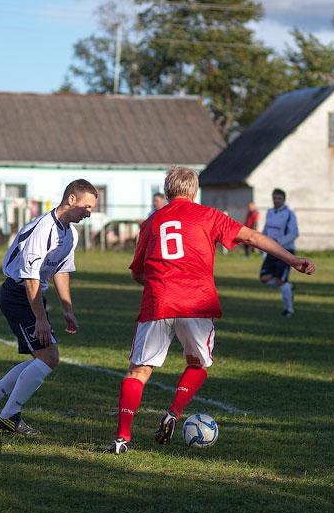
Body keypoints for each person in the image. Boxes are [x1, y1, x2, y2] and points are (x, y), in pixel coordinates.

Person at [108, 167, 315, 454]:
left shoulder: (151, 222)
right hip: (196, 302)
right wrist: (292, 260)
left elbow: (137, 274)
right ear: (195, 191)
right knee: (198, 364)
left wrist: (160, 281)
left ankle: (122, 438)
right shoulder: (209, 215)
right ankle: (173, 412)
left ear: (168, 192)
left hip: (159, 301)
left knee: (138, 371)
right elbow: (253, 238)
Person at [0, 179, 97, 435]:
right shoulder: (43, 228)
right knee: (49, 358)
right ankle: (9, 416)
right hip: (19, 294)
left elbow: (61, 270)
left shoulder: (70, 232)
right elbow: (30, 278)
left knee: (42, 358)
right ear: (71, 199)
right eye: (86, 206)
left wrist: (68, 308)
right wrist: (40, 318)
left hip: (33, 294)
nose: (88, 213)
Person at [260, 188, 300, 317]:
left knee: (279, 281)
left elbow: (294, 233)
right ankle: (289, 287)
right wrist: (260, 241)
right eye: (274, 198)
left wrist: (279, 241)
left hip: (285, 251)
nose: (276, 201)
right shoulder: (270, 212)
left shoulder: (289, 214)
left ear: (284, 200)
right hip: (272, 250)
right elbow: (266, 229)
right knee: (264, 278)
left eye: (279, 198)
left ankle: (289, 310)